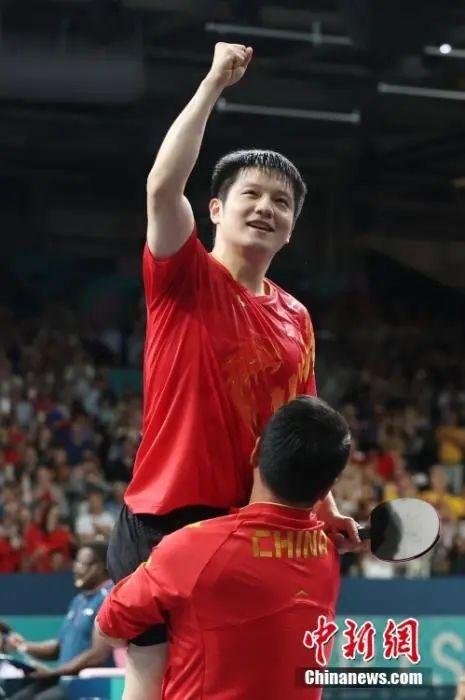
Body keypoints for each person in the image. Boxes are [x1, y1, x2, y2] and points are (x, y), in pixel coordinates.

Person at [107, 41, 359, 697]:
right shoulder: (183, 276)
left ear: (291, 229)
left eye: (282, 202)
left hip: (247, 528)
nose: (266, 207)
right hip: (166, 512)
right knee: (150, 680)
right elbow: (162, 187)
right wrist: (214, 82)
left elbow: (297, 426)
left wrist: (327, 510)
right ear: (215, 209)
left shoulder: (296, 316)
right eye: (251, 194)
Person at [98, 396, 350, 699]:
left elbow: (109, 628)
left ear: (256, 452)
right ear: (327, 489)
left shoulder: (191, 549)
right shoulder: (327, 555)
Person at [7, 542, 114, 700]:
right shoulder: (78, 601)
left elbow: (97, 655)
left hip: (87, 684)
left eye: (82, 563)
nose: (76, 568)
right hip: (63, 680)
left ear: (100, 567)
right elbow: (57, 647)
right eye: (76, 562)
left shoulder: (109, 599)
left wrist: (54, 672)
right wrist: (23, 645)